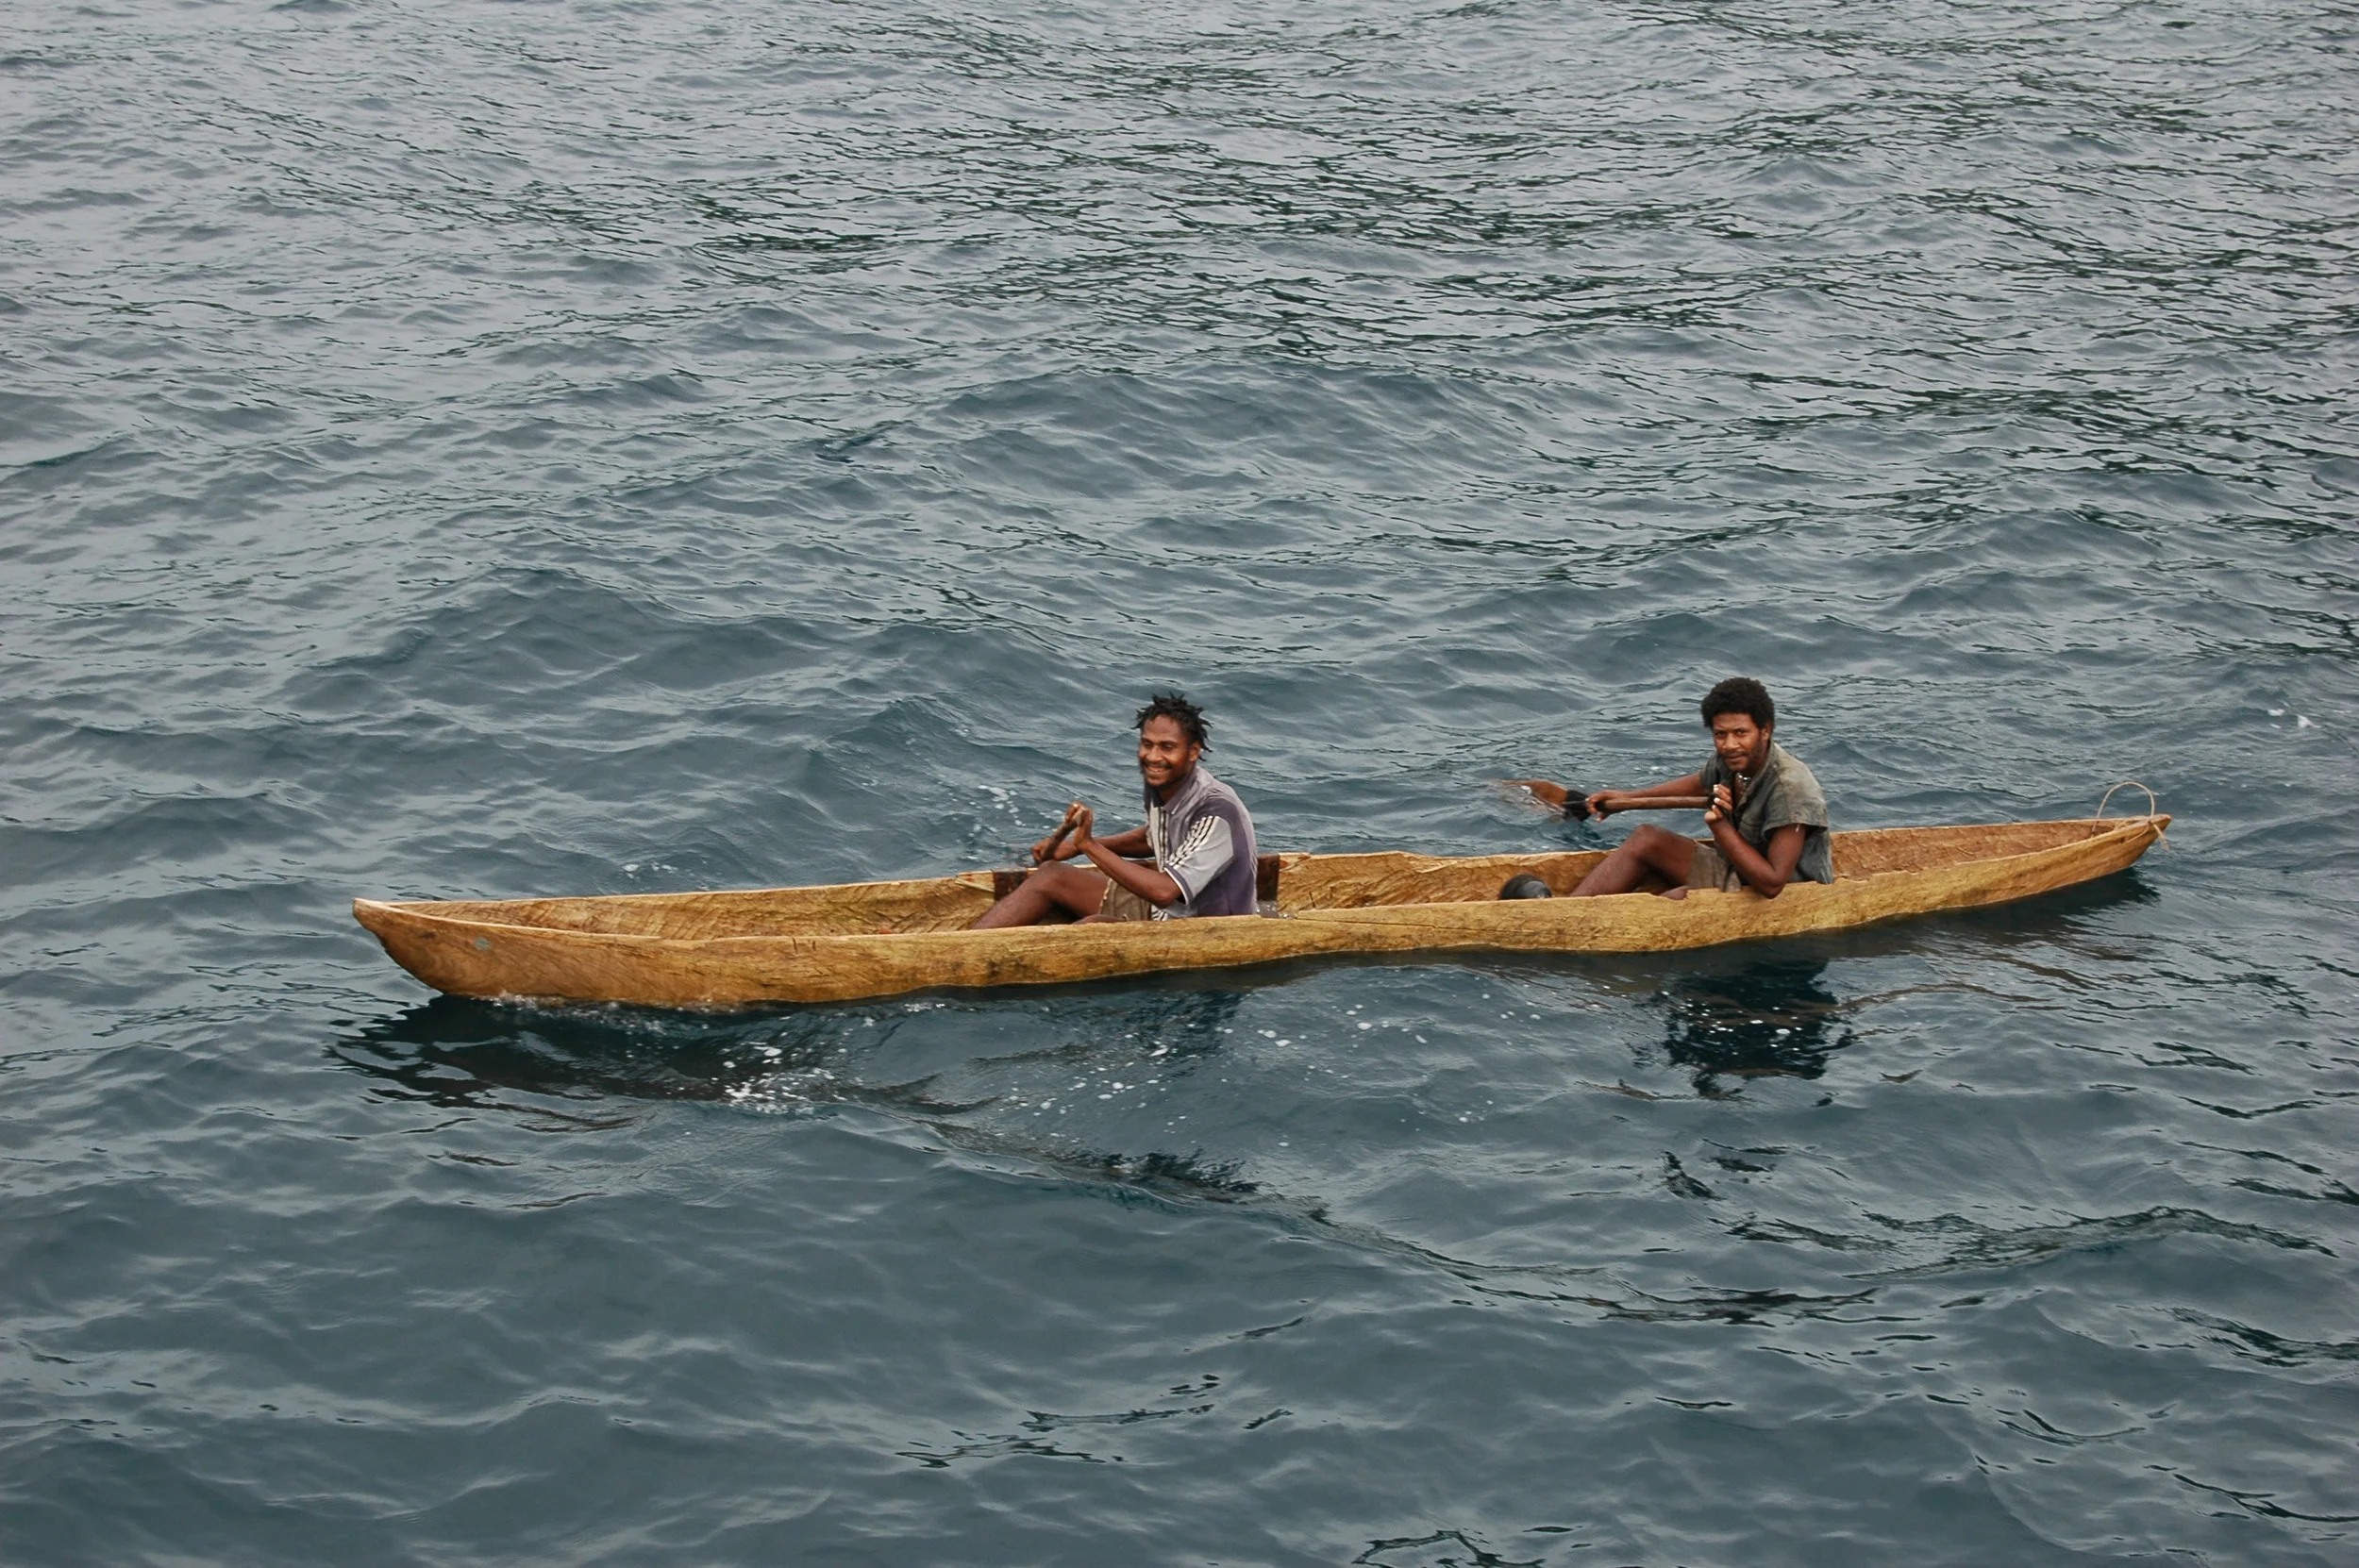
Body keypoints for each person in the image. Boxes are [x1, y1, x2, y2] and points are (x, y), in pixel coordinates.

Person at [970, 692, 1259, 928]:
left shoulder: (1216, 811)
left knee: (1090, 931)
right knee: (1051, 874)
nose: (1153, 757)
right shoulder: (1165, 783)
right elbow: (1154, 837)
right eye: (1147, 744)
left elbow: (1163, 892)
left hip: (1206, 928)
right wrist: (1074, 849)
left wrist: (1089, 845)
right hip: (1165, 911)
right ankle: (965, 947)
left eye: (1167, 747)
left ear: (1193, 752)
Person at [1561, 677, 1832, 900]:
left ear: (1765, 731)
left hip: (1780, 891)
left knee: (1680, 899)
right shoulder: (1733, 761)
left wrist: (1721, 827)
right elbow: (1699, 783)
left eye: (1741, 733)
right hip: (1734, 868)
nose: (1729, 744)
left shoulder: (1791, 790)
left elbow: (1773, 885)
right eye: (1720, 734)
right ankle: (1569, 912)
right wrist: (1628, 799)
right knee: (1647, 838)